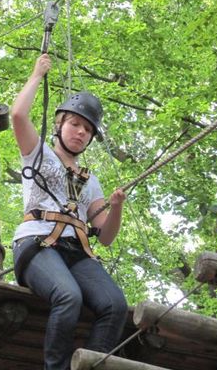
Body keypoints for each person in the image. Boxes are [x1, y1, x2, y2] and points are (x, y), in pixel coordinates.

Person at [11, 53, 128, 369]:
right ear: (60, 124)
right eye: (75, 124)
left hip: (75, 251)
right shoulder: (39, 154)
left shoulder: (91, 181)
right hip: (36, 244)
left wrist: (115, 208)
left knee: (115, 305)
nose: (80, 132)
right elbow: (19, 116)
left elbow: (104, 236)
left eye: (87, 130)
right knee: (69, 297)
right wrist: (37, 75)